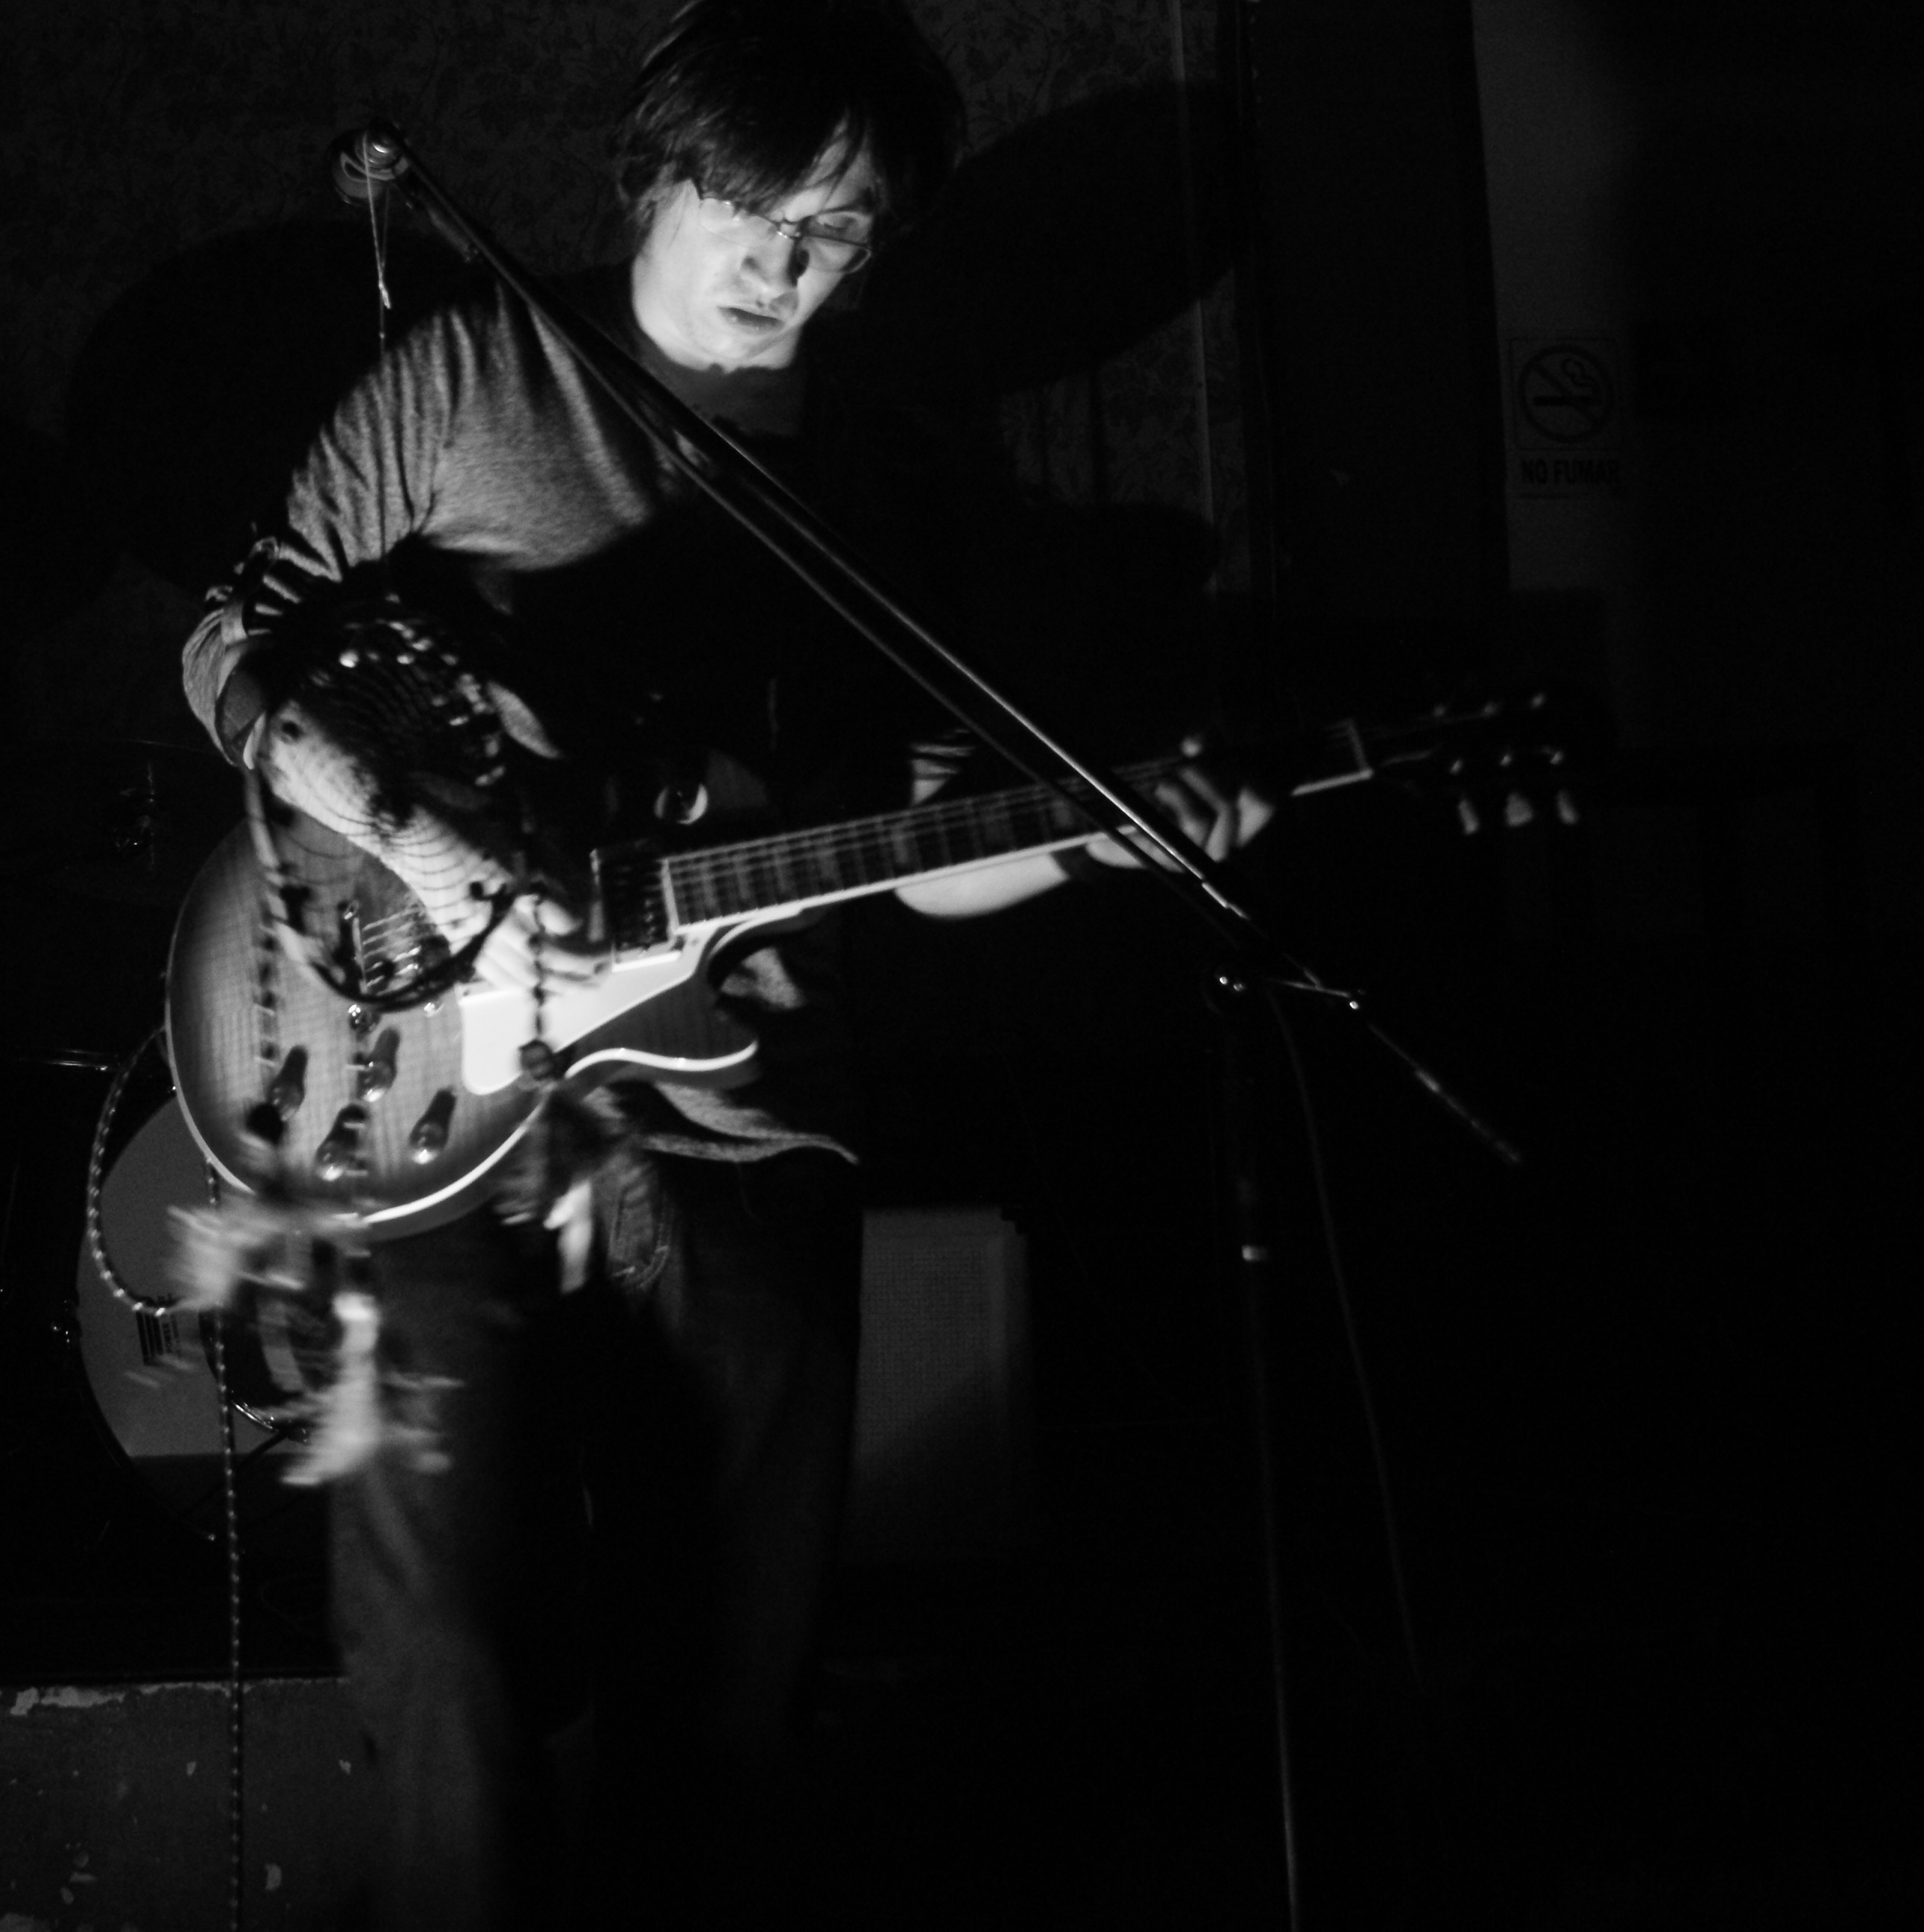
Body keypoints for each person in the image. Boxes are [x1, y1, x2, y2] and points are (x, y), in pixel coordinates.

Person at [180, 4, 1267, 1925]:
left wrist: (1088, 835)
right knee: (454, 1652)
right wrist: (431, 841)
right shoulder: (479, 373)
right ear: (656, 177)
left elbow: (911, 860)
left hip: (745, 1109)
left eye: (837, 230)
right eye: (752, 207)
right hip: (421, 1084)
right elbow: (232, 648)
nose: (784, 263)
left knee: (729, 1691)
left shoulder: (891, 483)